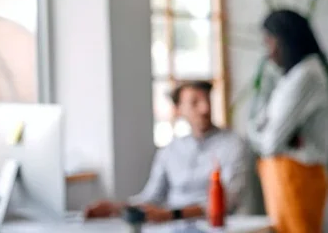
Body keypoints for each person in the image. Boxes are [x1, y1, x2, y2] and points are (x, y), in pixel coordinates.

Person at [85, 81, 248, 223]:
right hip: (172, 225)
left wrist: (170, 214)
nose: (205, 108)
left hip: (214, 225)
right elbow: (150, 198)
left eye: (207, 100)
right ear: (178, 109)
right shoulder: (170, 151)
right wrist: (116, 208)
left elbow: (228, 200)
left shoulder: (233, 144)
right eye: (195, 102)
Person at [244, 9, 328, 233]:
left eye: (269, 41)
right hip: (285, 177)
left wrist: (263, 133)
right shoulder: (291, 77)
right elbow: (260, 128)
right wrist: (275, 134)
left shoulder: (307, 75)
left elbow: (270, 142)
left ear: (284, 40)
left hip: (298, 177)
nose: (268, 52)